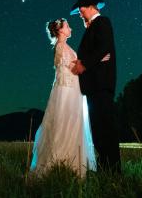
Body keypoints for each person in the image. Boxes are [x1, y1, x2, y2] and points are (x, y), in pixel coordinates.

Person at [29, 18, 96, 177]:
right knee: (65, 124)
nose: (70, 28)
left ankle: (71, 163)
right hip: (66, 93)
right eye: (67, 26)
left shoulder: (65, 47)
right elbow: (75, 69)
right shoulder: (61, 48)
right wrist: (97, 61)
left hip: (72, 91)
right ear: (60, 30)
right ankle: (60, 162)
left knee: (71, 124)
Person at [70, 0, 122, 173]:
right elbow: (99, 51)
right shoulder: (92, 27)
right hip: (94, 85)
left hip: (101, 83)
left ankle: (113, 169)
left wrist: (84, 64)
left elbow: (104, 46)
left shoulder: (102, 22)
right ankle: (105, 165)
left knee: (105, 127)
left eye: (81, 9)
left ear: (91, 7)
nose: (79, 13)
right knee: (98, 129)